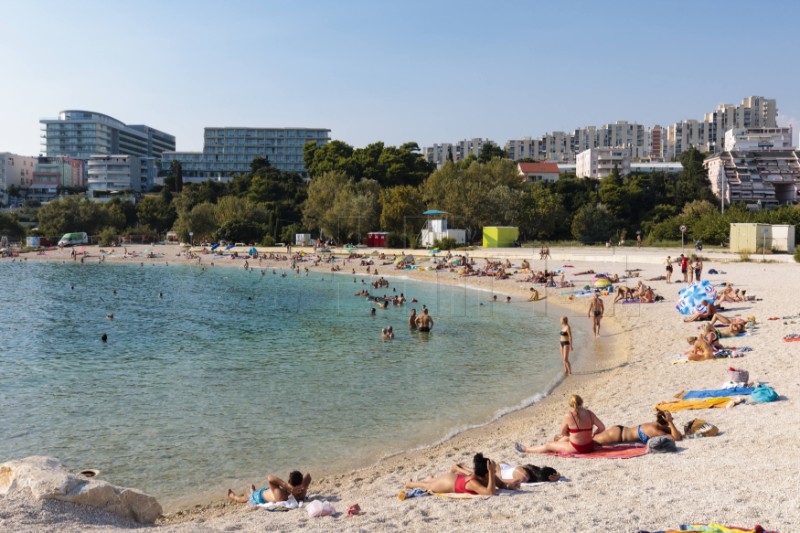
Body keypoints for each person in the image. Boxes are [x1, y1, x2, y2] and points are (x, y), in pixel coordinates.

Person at [515, 394, 605, 454]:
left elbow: (563, 433)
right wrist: (593, 434)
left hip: (577, 448)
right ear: (581, 402)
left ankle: (526, 449)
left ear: (570, 404)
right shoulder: (589, 413)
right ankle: (558, 442)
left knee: (548, 445)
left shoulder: (568, 415)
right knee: (566, 438)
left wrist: (571, 435)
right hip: (589, 447)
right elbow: (602, 427)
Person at [404, 453, 497, 496]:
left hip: (457, 478)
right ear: (486, 474)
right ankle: (410, 484)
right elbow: (490, 493)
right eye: (492, 470)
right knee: (428, 486)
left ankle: (431, 479)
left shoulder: (481, 476)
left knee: (434, 481)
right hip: (448, 482)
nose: (494, 471)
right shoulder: (473, 483)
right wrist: (491, 472)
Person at [593, 410, 682, 445]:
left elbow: (677, 433)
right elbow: (676, 438)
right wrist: (670, 422)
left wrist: (669, 423)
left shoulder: (656, 425)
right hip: (618, 436)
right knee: (591, 441)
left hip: (620, 431)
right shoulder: (654, 430)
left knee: (591, 440)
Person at [451, 462, 560, 489]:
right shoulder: (524, 477)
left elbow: (554, 474)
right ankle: (459, 468)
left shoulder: (533, 468)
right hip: (503, 472)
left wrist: (557, 475)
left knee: (481, 473)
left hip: (505, 466)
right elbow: (503, 481)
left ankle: (463, 467)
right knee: (483, 476)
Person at [228, 471, 311, 505]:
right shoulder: (282, 495)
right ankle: (233, 496)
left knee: (250, 495)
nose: (297, 491)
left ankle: (251, 490)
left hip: (269, 492)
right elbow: (269, 477)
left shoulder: (300, 492)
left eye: (299, 488)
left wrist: (300, 486)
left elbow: (308, 475)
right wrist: (287, 486)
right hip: (260, 495)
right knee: (243, 499)